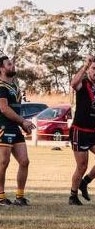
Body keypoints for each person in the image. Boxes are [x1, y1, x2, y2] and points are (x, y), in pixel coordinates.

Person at [68, 55, 95, 205]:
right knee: (82, 165)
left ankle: (85, 182)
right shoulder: (83, 82)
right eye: (93, 68)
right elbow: (73, 84)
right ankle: (73, 196)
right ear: (88, 70)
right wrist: (85, 66)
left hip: (93, 130)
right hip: (79, 130)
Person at [0, 55, 36, 206]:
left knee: (24, 161)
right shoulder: (1, 87)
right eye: (9, 64)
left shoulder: (15, 87)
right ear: (1, 69)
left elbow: (16, 110)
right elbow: (4, 108)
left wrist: (23, 125)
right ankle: (1, 197)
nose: (12, 66)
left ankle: (19, 197)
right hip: (3, 127)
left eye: (12, 64)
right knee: (3, 162)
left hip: (15, 127)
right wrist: (23, 121)